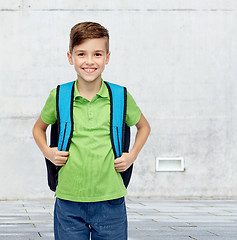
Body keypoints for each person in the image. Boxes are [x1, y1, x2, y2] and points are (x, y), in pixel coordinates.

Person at [32, 22, 151, 240]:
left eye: (97, 54)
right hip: (68, 200)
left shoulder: (120, 96)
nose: (89, 61)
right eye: (81, 54)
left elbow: (143, 126)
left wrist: (131, 156)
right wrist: (48, 152)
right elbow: (38, 128)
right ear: (70, 58)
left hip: (110, 199)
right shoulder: (59, 95)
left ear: (107, 57)